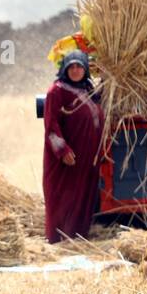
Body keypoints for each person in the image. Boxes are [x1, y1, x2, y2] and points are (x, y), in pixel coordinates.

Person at [42, 49, 106, 242]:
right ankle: (60, 242)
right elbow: (51, 127)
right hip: (67, 162)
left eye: (80, 66)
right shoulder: (57, 91)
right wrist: (63, 150)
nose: (76, 70)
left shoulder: (88, 89)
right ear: (65, 69)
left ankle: (77, 240)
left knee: (83, 200)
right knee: (64, 199)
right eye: (72, 67)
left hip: (87, 160)